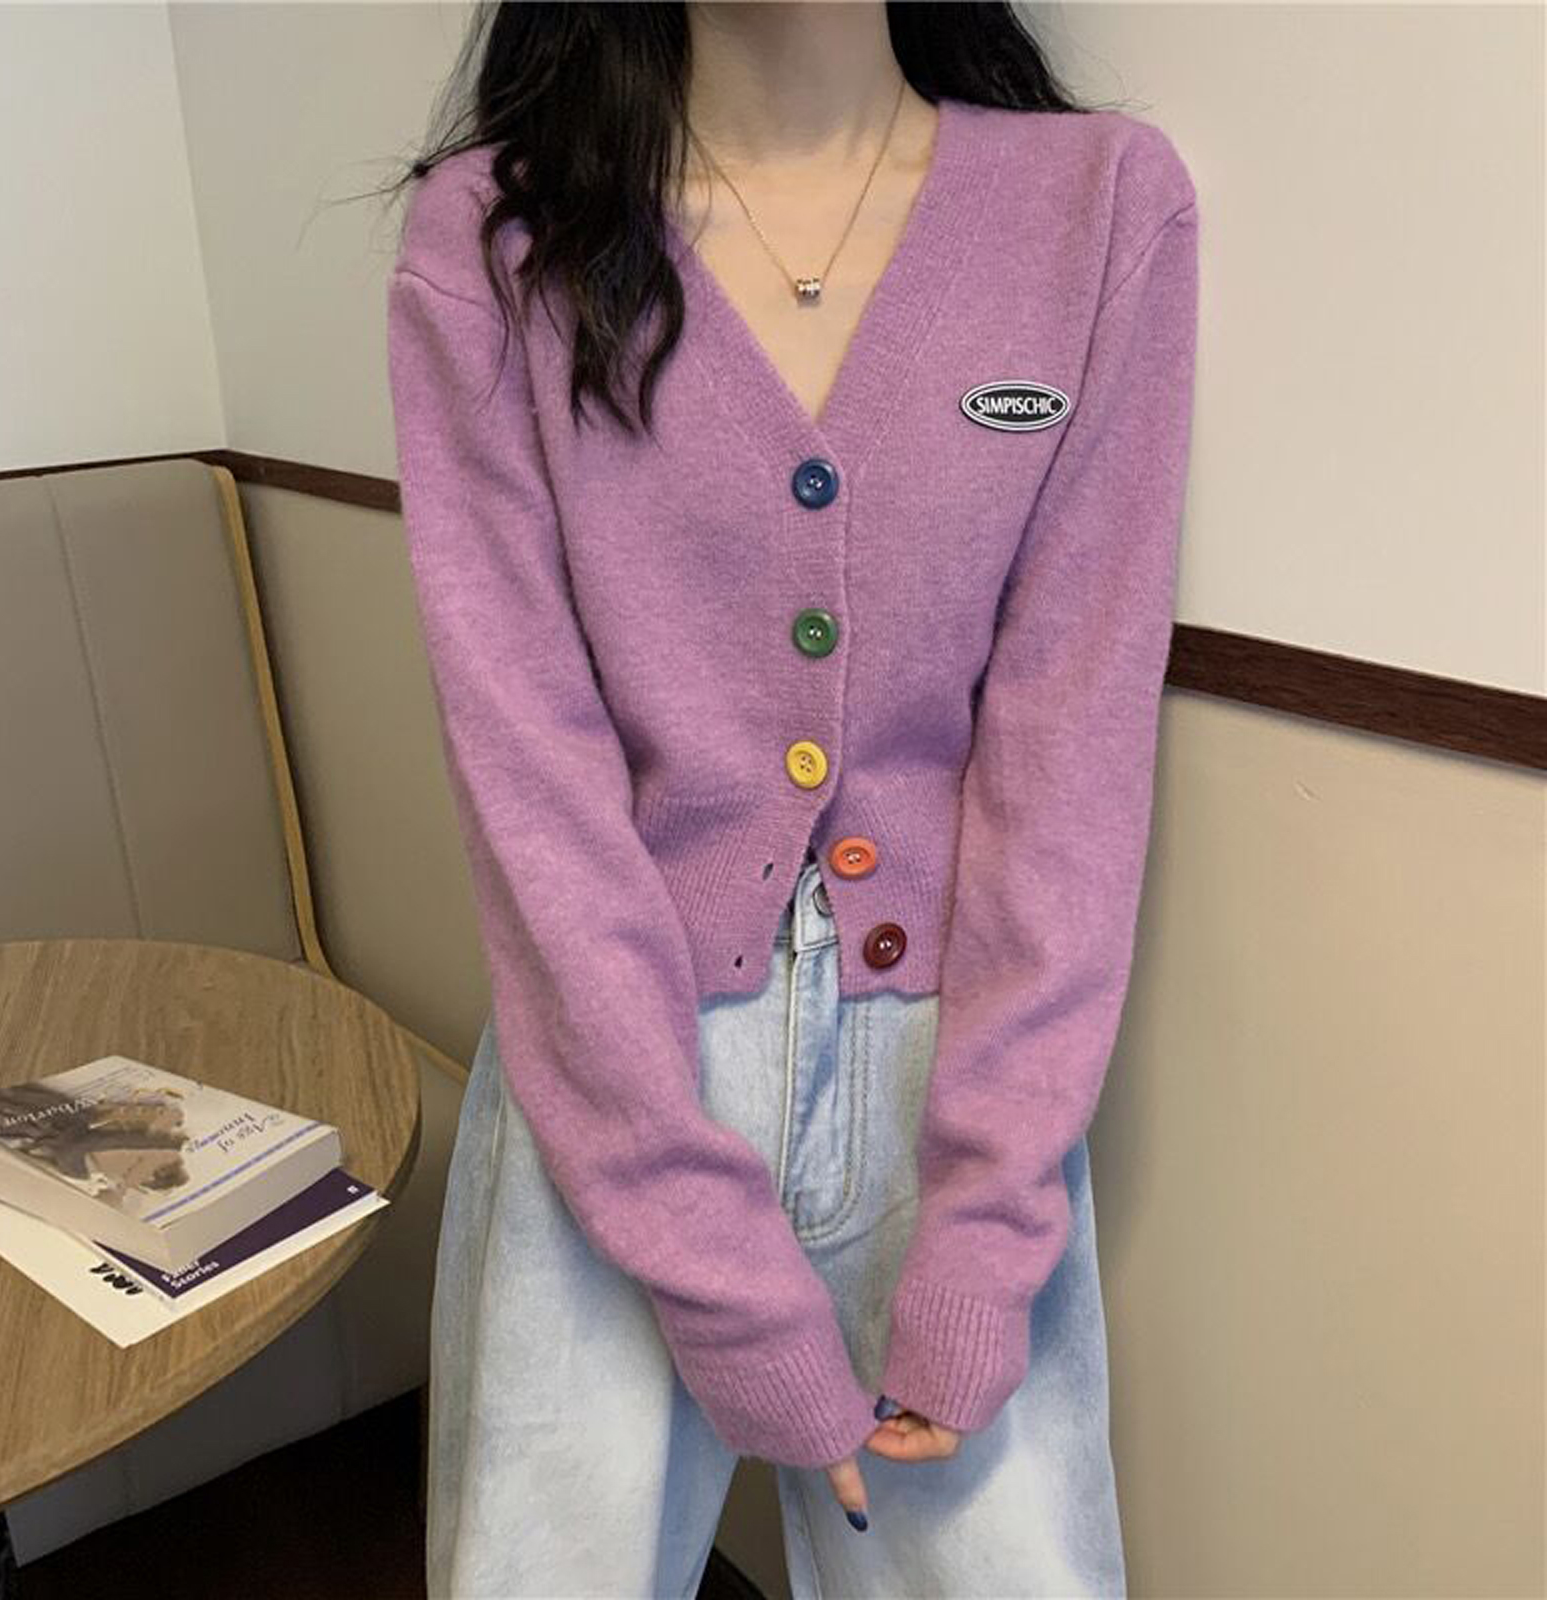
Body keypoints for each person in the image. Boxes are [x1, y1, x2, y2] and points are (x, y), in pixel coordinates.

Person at [383, 2, 1199, 1594]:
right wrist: (697, 1244)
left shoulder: (1100, 211)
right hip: (614, 1085)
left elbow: (1073, 754)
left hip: (961, 1098)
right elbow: (529, 782)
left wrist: (989, 1227)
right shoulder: (497, 245)